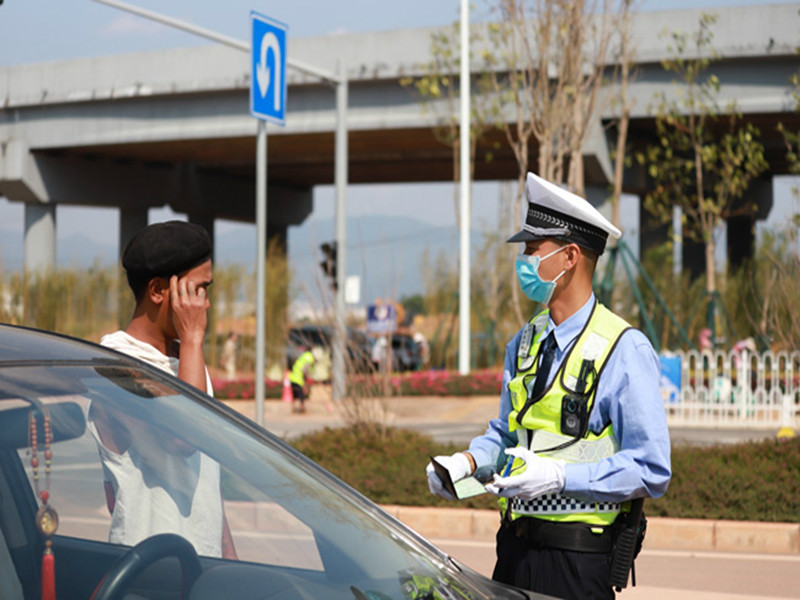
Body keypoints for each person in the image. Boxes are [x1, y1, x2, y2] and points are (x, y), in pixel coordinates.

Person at [426, 173, 671, 600]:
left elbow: (651, 468)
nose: (523, 260)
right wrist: (466, 463)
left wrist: (560, 477)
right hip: (513, 550)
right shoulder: (525, 341)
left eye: (533, 249)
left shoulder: (623, 349)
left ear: (570, 256)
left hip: (576, 563)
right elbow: (508, 435)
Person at [89, 220, 237, 559]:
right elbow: (184, 439)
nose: (205, 305)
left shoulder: (186, 358)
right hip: (149, 571)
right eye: (198, 290)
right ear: (157, 290)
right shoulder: (115, 366)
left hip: (201, 567)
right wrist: (193, 339)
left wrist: (229, 558)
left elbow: (204, 476)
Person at [288, 342, 315, 413]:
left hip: (292, 376)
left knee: (295, 393)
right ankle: (302, 408)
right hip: (299, 378)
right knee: (301, 393)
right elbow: (305, 369)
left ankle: (293, 407)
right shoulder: (309, 357)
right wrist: (306, 381)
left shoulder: (302, 356)